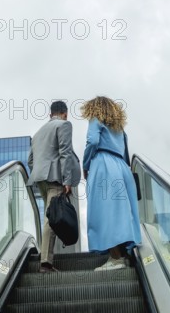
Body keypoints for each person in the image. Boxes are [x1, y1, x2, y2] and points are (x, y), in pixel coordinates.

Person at [82, 96, 141, 271]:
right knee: (121, 214)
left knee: (104, 212)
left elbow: (92, 141)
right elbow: (125, 151)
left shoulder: (96, 118)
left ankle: (115, 258)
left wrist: (85, 164)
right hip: (122, 168)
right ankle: (124, 256)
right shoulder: (119, 128)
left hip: (103, 164)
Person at [27, 100, 81, 273]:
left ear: (50, 114)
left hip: (40, 178)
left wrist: (39, 173)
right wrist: (67, 180)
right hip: (55, 178)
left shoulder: (37, 134)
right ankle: (45, 263)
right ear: (65, 113)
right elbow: (65, 153)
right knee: (52, 219)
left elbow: (30, 161)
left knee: (52, 215)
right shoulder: (64, 125)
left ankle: (48, 259)